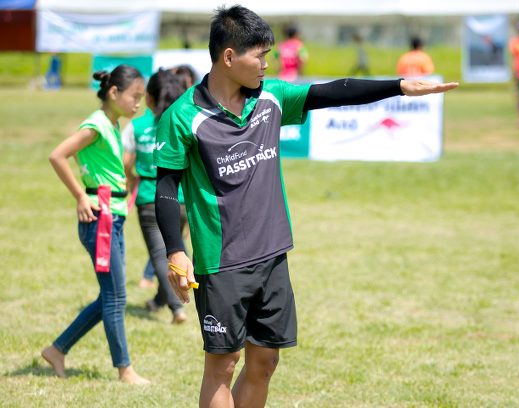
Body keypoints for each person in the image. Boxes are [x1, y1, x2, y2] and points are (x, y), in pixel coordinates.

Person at [153, 6, 458, 407]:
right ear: (229, 57)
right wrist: (177, 251)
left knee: (264, 361)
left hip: (272, 254)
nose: (266, 64)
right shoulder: (182, 118)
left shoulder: (272, 99)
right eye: (258, 56)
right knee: (223, 366)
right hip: (221, 262)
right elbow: (165, 189)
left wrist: (399, 86)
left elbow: (335, 91)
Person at [42, 65, 149, 384]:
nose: (138, 104)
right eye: (134, 97)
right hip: (99, 219)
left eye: (142, 98)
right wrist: (80, 195)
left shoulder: (113, 124)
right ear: (114, 93)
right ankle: (124, 369)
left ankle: (57, 350)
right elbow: (57, 156)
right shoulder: (97, 124)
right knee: (116, 297)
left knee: (111, 295)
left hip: (112, 217)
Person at [123, 69, 190, 324]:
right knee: (174, 249)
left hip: (150, 199)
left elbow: (126, 163)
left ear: (149, 98)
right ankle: (159, 301)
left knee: (161, 255)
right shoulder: (179, 122)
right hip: (181, 197)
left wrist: (132, 180)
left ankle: (177, 308)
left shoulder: (137, 126)